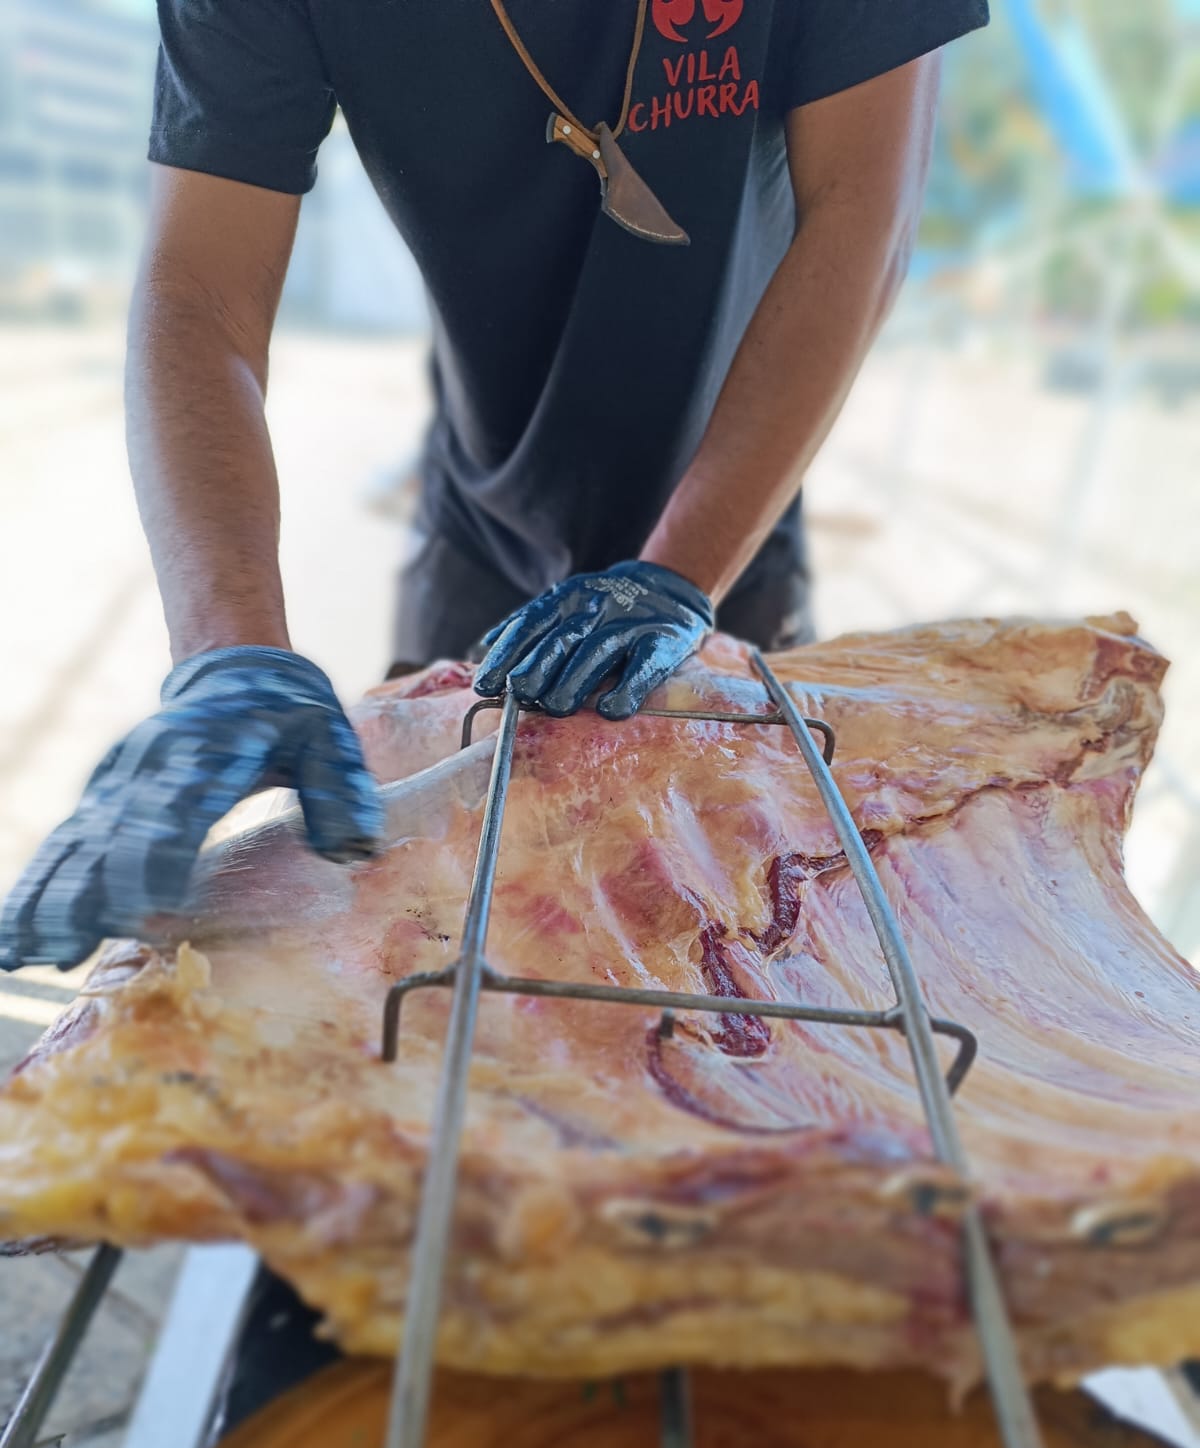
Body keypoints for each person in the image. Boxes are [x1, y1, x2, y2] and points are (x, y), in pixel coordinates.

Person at [1, 0, 988, 964]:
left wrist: (683, 569)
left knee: (715, 956)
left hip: (728, 536)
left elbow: (863, 209)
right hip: (478, 518)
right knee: (407, 962)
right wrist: (228, 650)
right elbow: (198, 293)